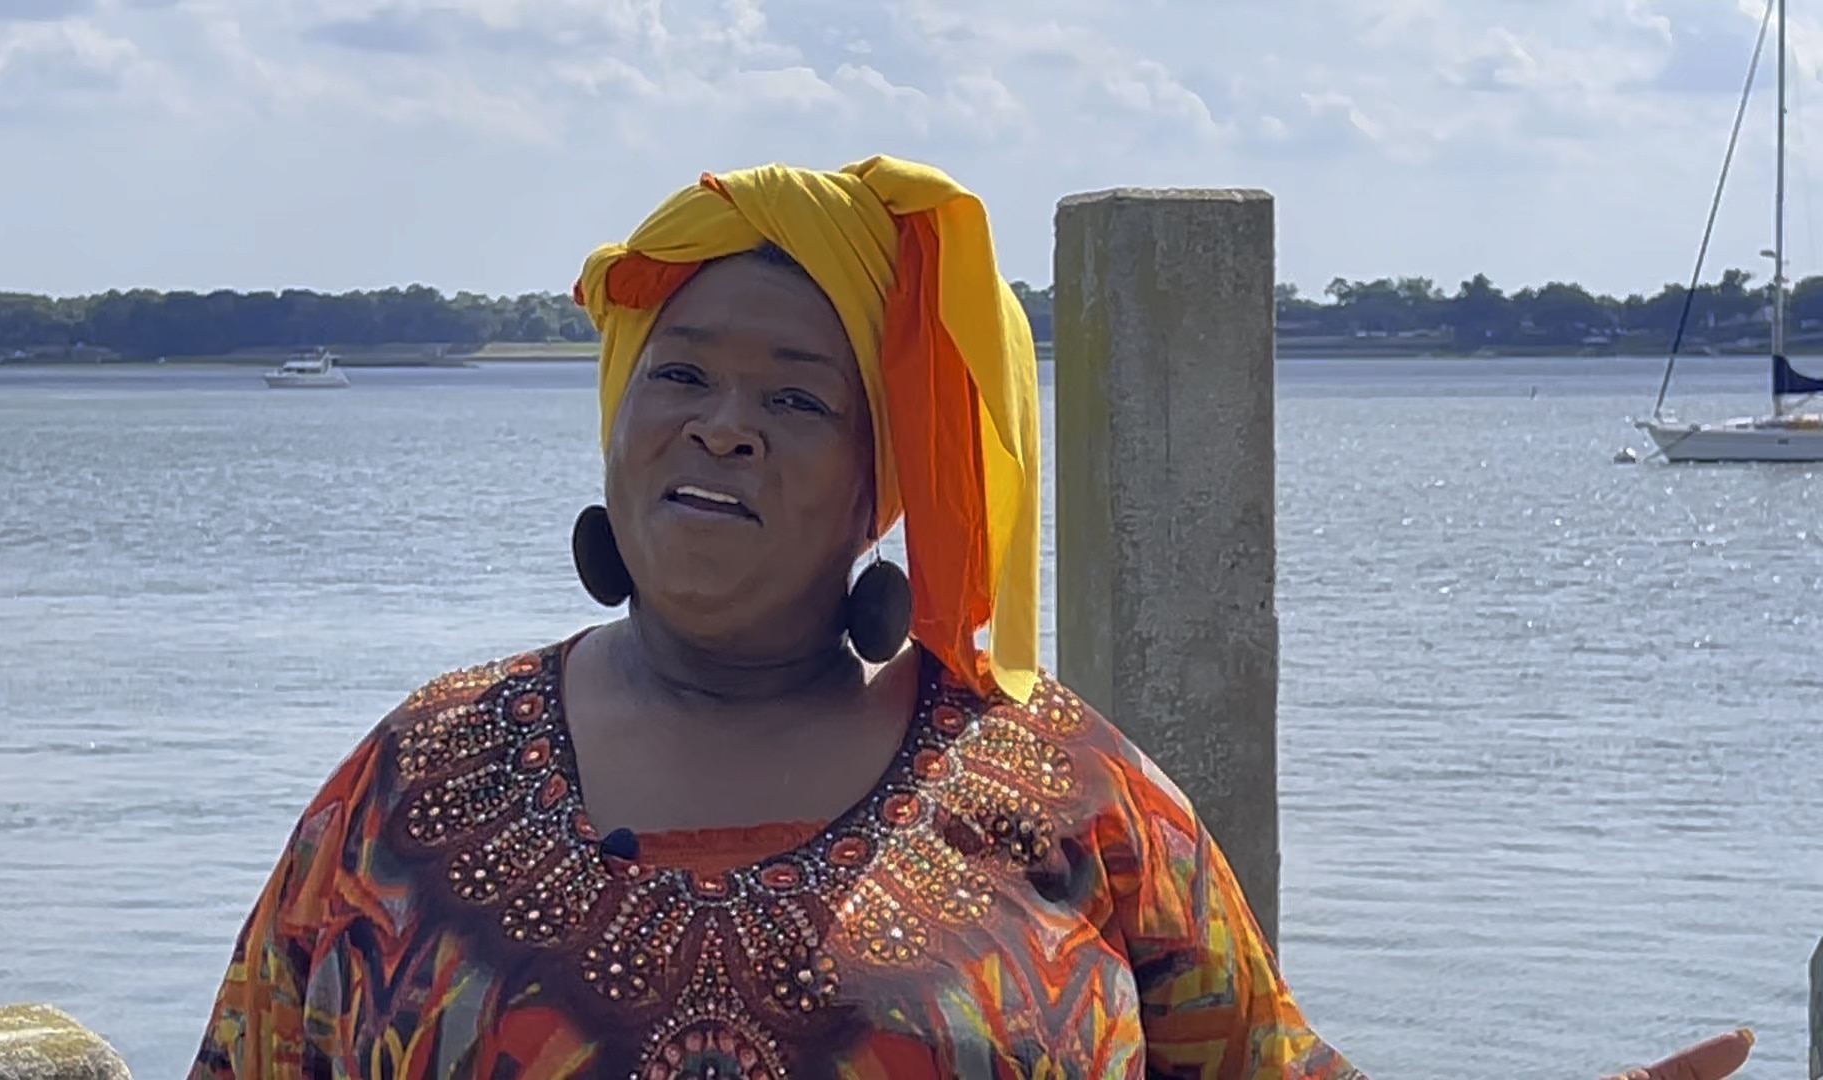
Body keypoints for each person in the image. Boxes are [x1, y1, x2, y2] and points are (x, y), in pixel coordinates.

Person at [187, 156, 1745, 1079]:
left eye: (799, 397)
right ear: (619, 415)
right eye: (683, 375)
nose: (723, 426)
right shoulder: (416, 784)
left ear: (894, 478)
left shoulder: (1064, 788)